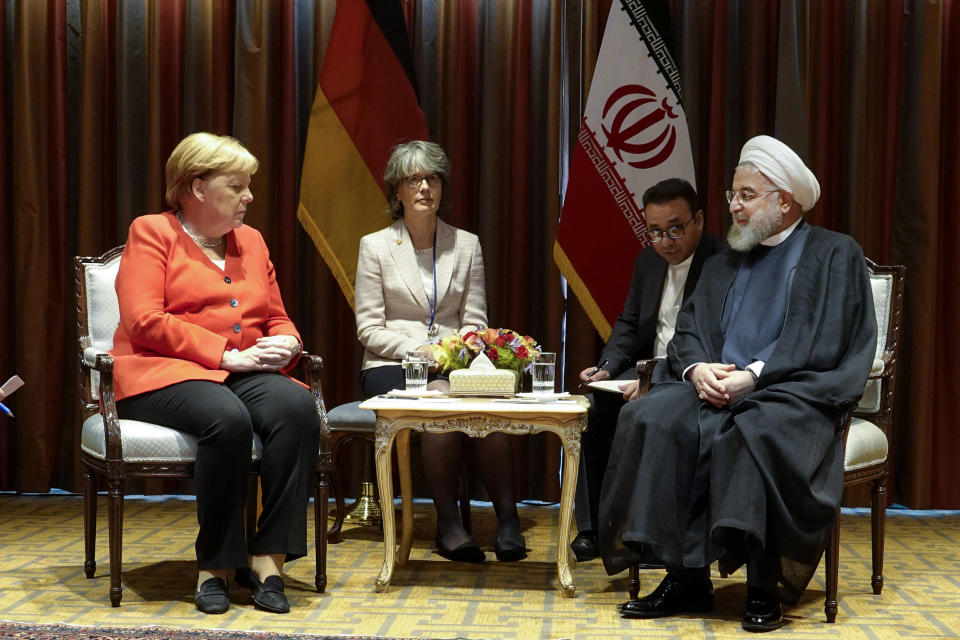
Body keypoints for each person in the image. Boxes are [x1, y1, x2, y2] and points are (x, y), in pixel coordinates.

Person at [598, 135, 877, 632]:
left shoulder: (834, 253)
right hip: (714, 387)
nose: (734, 205)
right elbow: (689, 329)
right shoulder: (726, 257)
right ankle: (686, 576)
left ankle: (762, 584)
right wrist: (696, 369)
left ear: (784, 201)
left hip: (793, 392)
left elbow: (831, 339)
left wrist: (755, 376)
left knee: (751, 430)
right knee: (652, 416)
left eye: (746, 195)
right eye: (733, 194)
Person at [110, 132, 319, 615]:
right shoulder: (152, 231)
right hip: (159, 371)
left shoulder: (251, 240)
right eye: (237, 186)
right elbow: (144, 320)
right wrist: (223, 354)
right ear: (198, 188)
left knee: (296, 407)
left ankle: (268, 560)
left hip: (240, 368)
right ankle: (216, 567)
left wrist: (288, 340)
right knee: (227, 420)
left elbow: (276, 315)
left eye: (249, 186)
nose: (249, 197)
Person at [355, 140, 526, 564]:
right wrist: (420, 350)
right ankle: (449, 526)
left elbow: (476, 320)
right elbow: (369, 328)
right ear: (397, 190)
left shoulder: (465, 244)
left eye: (431, 178)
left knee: (492, 408)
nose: (424, 188)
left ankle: (508, 520)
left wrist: (452, 351)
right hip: (392, 367)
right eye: (413, 179)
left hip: (455, 364)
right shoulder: (375, 246)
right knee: (440, 408)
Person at [572, 178, 724, 562]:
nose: (666, 241)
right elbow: (628, 323)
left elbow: (706, 340)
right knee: (590, 410)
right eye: (655, 232)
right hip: (643, 371)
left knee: (639, 413)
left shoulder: (723, 262)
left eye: (675, 228)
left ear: (699, 220)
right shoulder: (648, 260)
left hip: (690, 378)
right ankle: (594, 529)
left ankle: (643, 535)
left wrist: (653, 379)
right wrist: (606, 368)